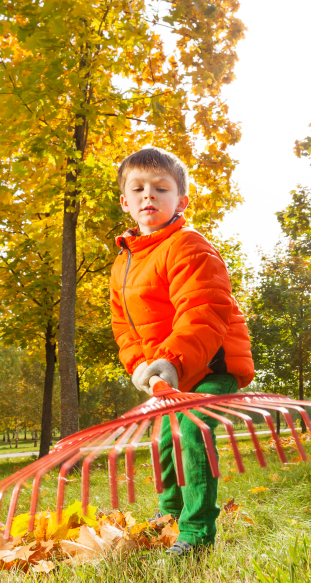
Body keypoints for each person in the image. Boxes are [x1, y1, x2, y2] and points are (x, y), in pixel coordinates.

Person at [109, 147, 254, 556]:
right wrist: (141, 366)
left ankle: (195, 534)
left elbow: (203, 312)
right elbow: (126, 328)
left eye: (161, 188)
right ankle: (168, 518)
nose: (148, 196)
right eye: (137, 189)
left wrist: (171, 362)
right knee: (164, 439)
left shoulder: (189, 246)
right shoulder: (124, 265)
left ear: (181, 201)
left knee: (191, 430)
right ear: (125, 202)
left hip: (209, 365)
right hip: (167, 372)